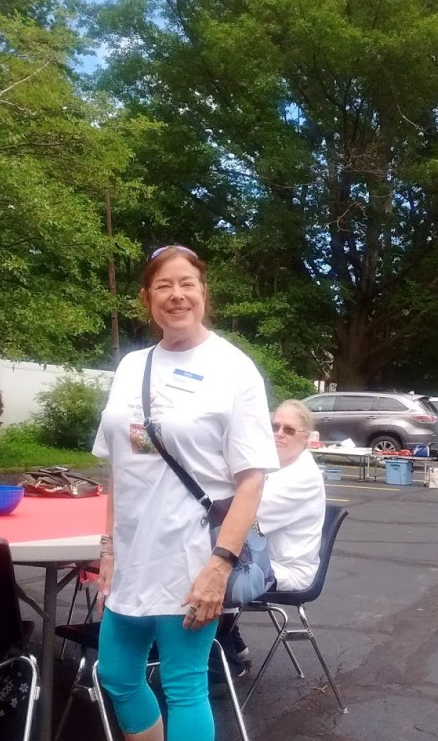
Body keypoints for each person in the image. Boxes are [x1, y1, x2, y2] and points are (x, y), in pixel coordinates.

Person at [92, 245, 279, 741]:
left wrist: (219, 566)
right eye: (164, 286)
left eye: (186, 284)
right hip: (131, 555)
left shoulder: (233, 369)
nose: (176, 295)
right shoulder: (131, 366)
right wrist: (108, 547)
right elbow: (118, 466)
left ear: (203, 292)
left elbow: (251, 480)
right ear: (146, 298)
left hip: (191, 557)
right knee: (117, 674)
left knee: (183, 685)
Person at [218, 399, 326, 667]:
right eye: (274, 426)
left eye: (289, 430)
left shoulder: (302, 476)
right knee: (204, 559)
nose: (279, 434)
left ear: (305, 438)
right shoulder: (274, 466)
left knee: (205, 570)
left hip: (286, 568)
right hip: (259, 557)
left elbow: (243, 519)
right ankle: (230, 643)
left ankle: (221, 660)